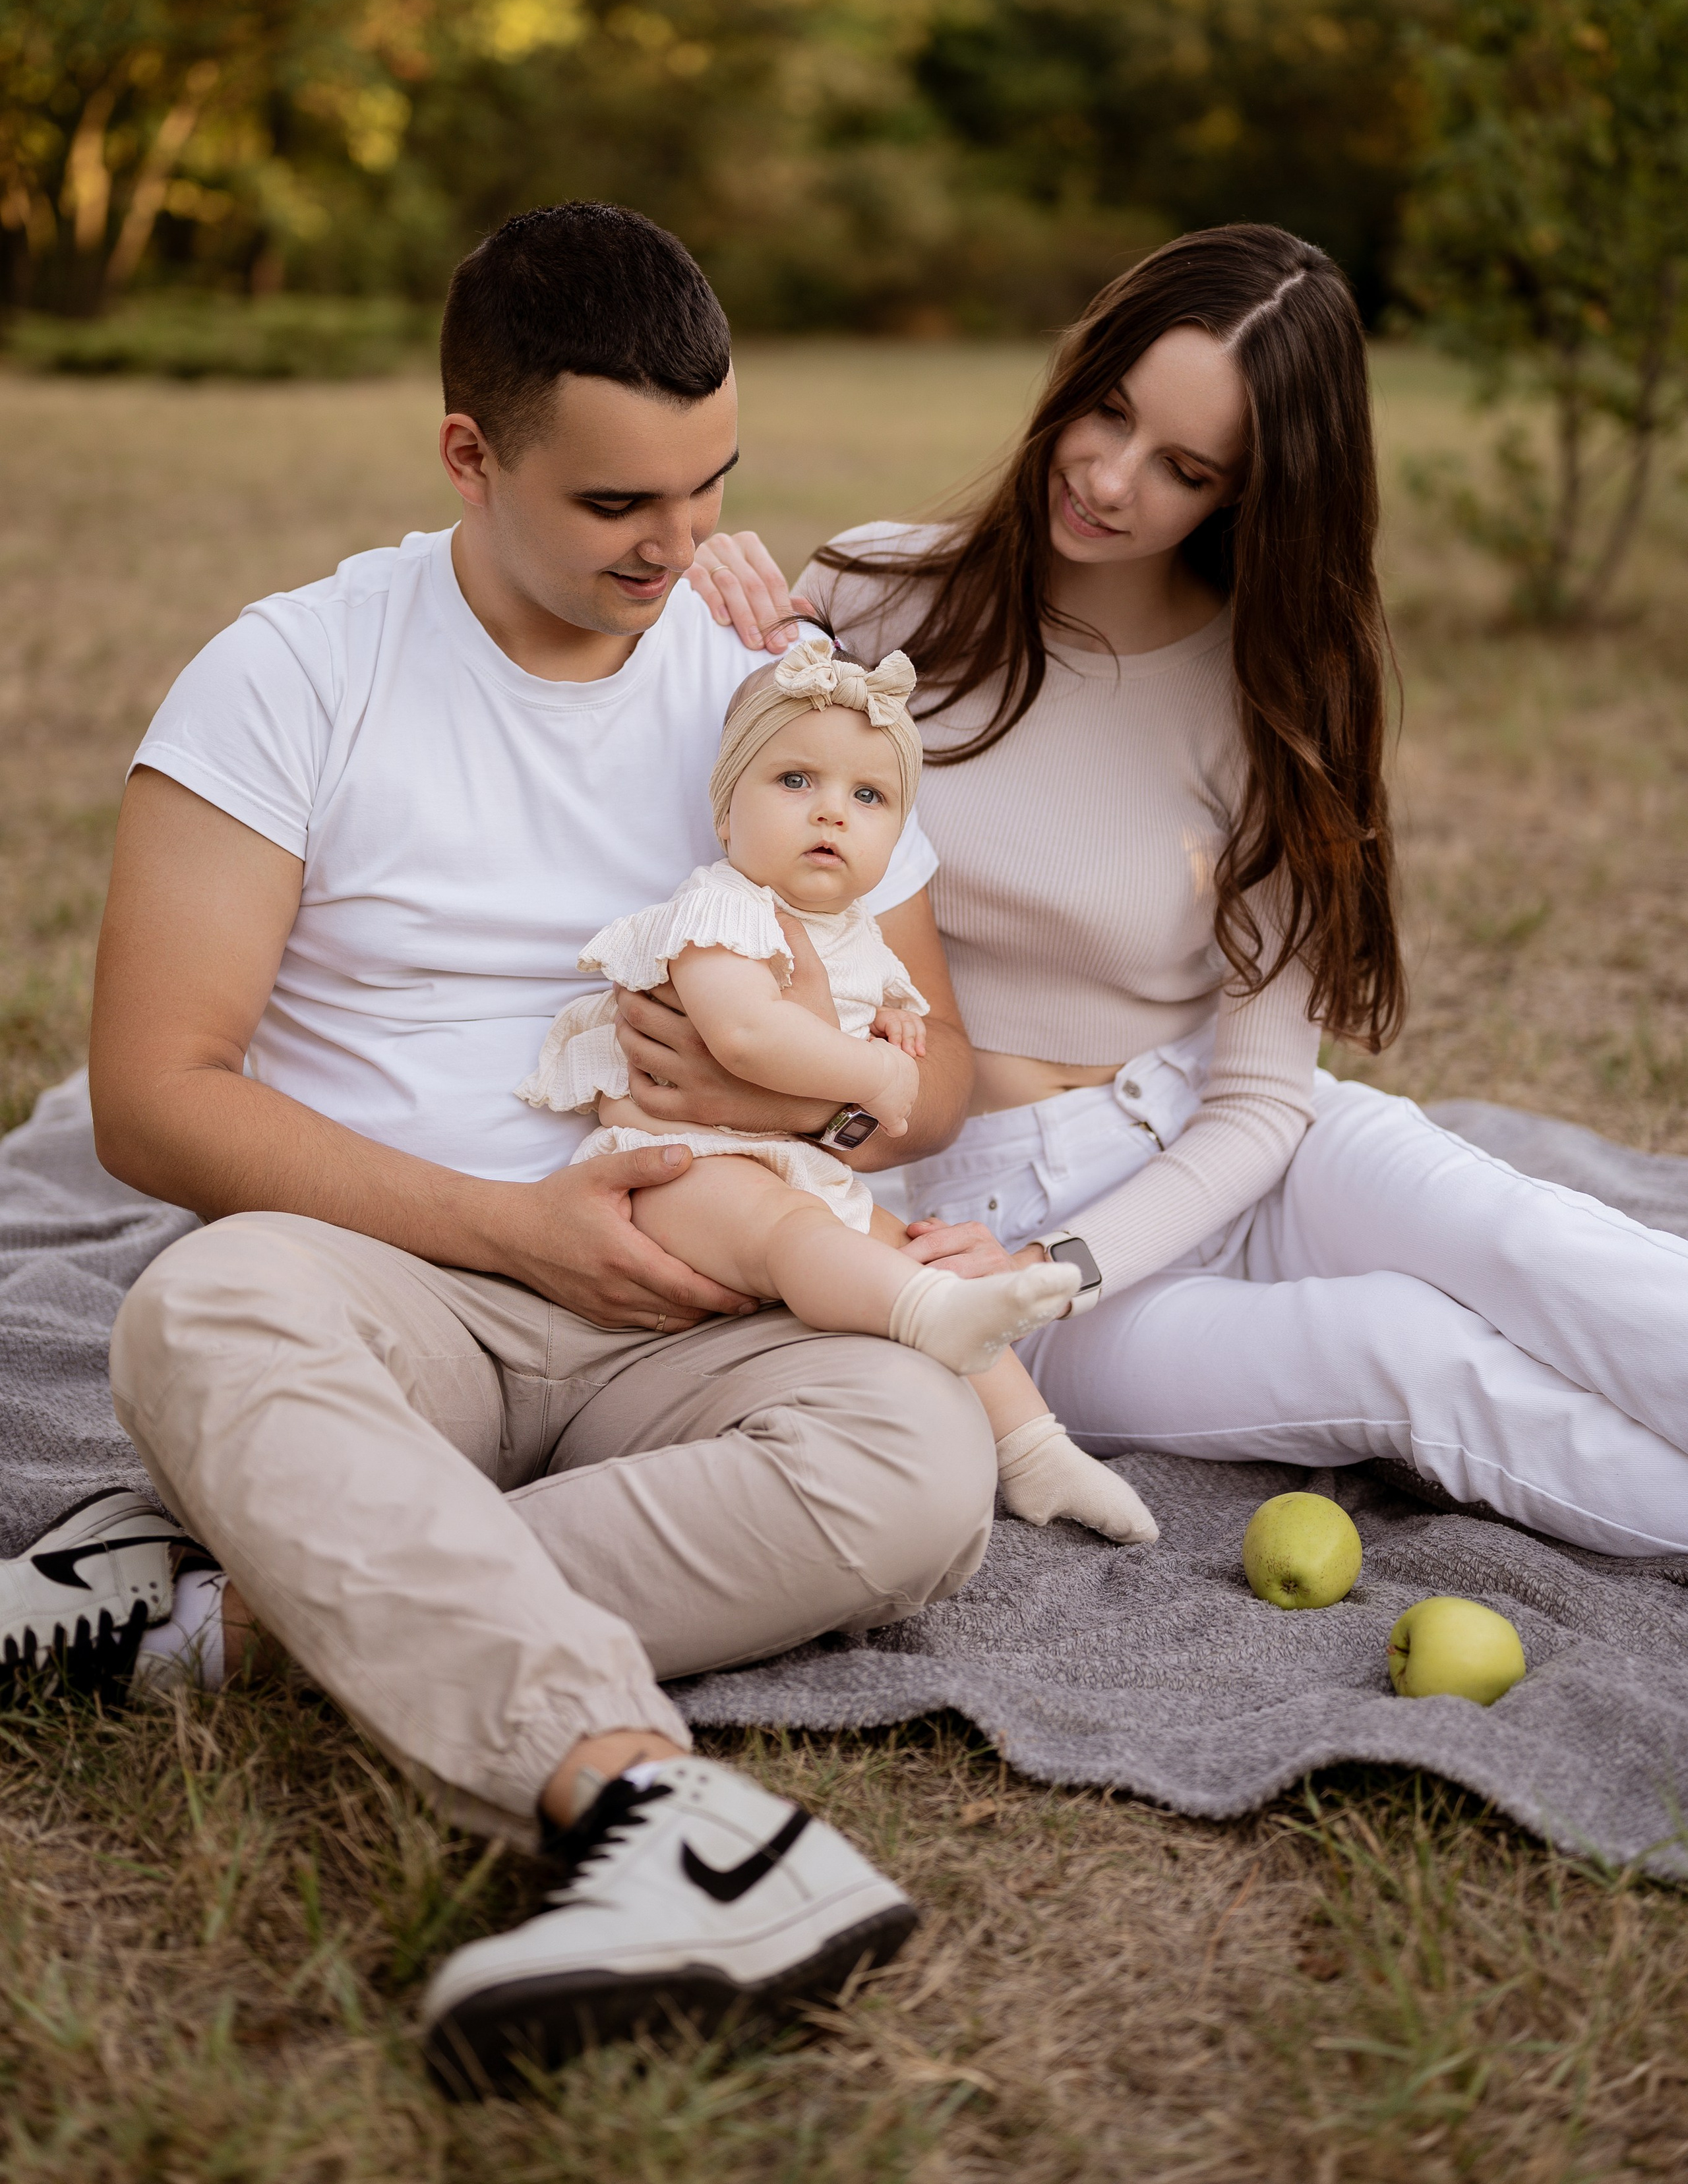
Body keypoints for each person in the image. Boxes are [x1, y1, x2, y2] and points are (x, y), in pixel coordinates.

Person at [53, 202, 1004, 2093]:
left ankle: (237, 1608)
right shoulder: (292, 672)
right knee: (205, 1311)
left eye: (709, 484)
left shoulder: (763, 678)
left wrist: (816, 1111)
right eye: (615, 506)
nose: (675, 546)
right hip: (401, 1274)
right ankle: (654, 1814)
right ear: (469, 456)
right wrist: (510, 1227)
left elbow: (935, 1067)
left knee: (921, 1469)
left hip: (711, 1286)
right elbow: (157, 1092)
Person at [685, 221, 1688, 1560]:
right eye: (1104, 412)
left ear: (1250, 492)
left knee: (1533, 1240)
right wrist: (686, 611)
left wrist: (1092, 1249)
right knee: (1403, 1353)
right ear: (1074, 370)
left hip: (1222, 1145)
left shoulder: (1268, 690)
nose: (1106, 478)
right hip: (990, 1230)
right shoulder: (874, 595)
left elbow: (1263, 1097)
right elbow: (696, 811)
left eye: (1183, 467)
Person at [517, 627, 1155, 1540]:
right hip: (678, 1170)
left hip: (784, 1165)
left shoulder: (854, 933)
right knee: (794, 1234)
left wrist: (894, 1027)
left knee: (911, 1245)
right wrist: (874, 1069)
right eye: (795, 782)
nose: (831, 814)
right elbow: (744, 1031)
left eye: (867, 796)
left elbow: (904, 1022)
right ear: (727, 812)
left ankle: (1036, 1451)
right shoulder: (719, 907)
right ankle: (924, 1320)